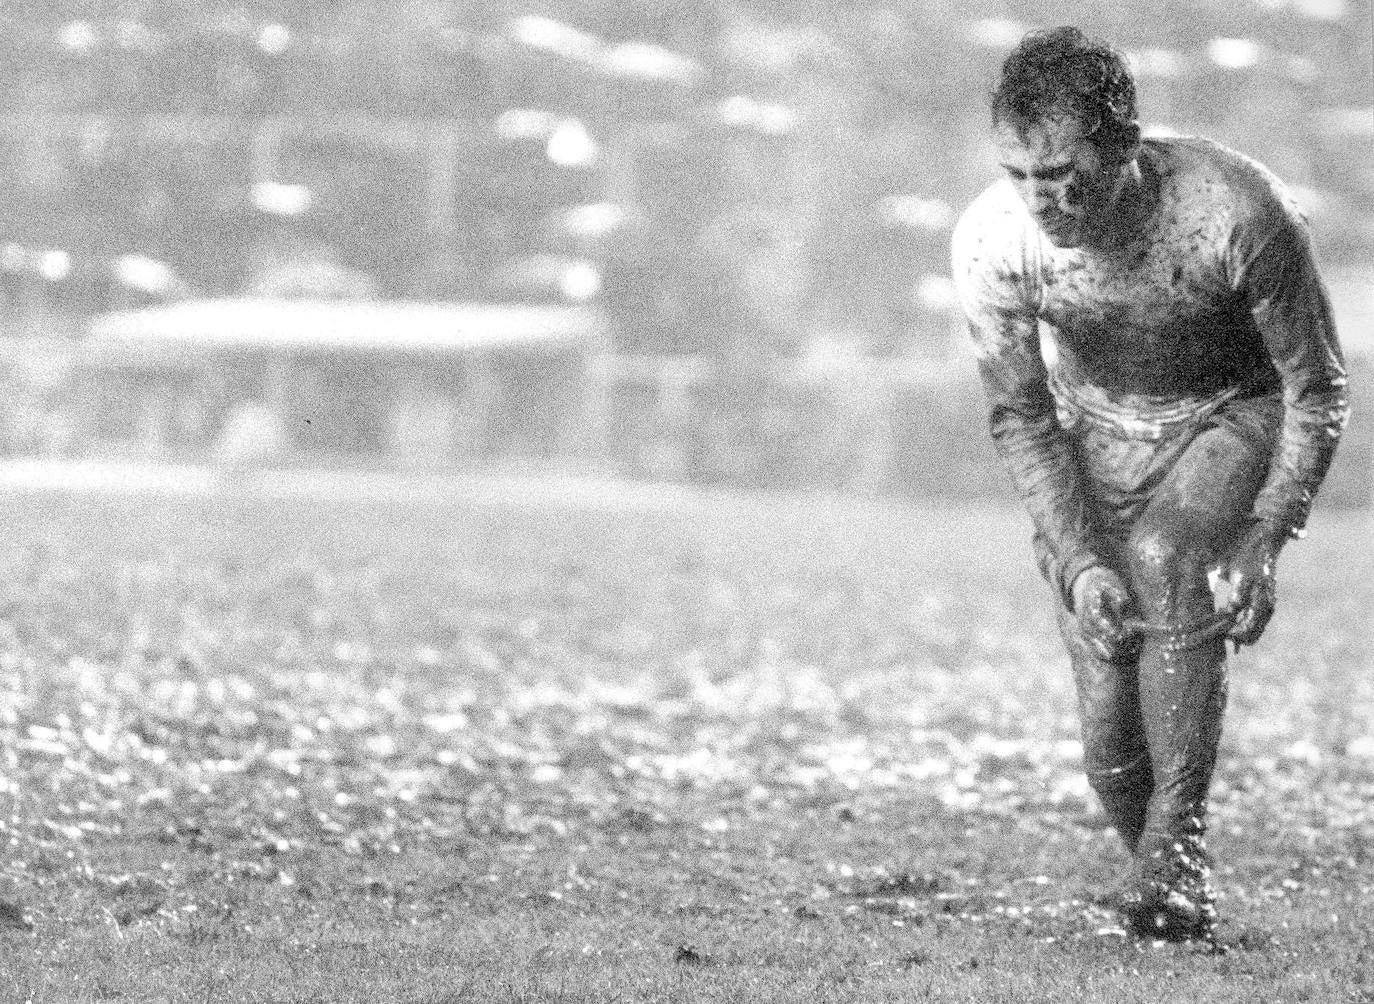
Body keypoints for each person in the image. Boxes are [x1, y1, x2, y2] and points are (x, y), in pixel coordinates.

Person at [950, 27, 1349, 941]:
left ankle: (1177, 853)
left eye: (1065, 172)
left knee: (1167, 555)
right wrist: (1080, 561)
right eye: (1022, 174)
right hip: (1096, 434)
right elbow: (1021, 416)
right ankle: (1168, 882)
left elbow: (1316, 386)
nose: (1045, 199)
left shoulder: (1236, 210)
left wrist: (1267, 531)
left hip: (1230, 412)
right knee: (1107, 728)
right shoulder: (992, 239)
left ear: (1127, 144)